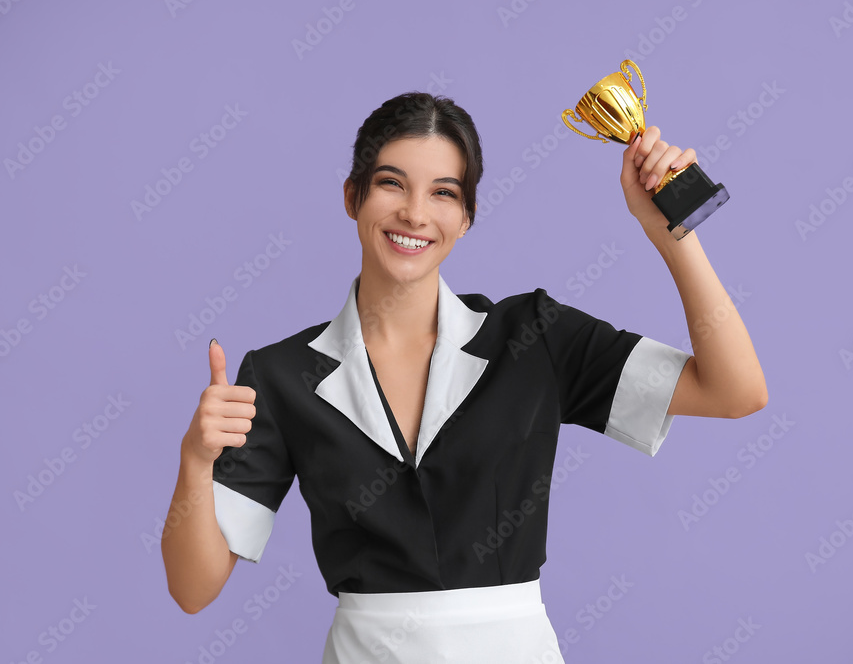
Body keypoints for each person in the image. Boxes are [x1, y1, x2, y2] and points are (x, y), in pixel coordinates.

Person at [160, 92, 768, 663]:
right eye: (391, 184)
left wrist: (671, 232)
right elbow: (193, 589)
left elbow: (735, 390)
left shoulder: (533, 336)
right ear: (352, 198)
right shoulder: (280, 374)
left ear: (467, 216)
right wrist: (194, 462)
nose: (415, 213)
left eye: (444, 193)